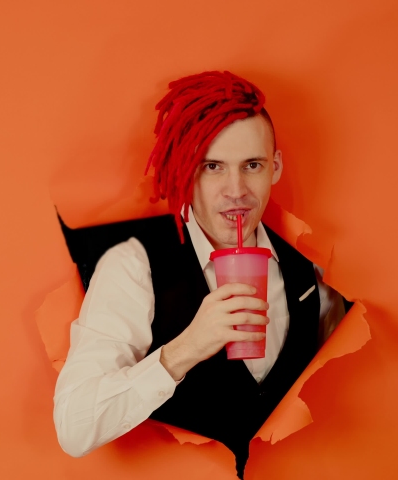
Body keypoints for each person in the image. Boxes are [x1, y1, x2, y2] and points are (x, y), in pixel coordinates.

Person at [53, 71, 346, 479]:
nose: (236, 189)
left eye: (252, 165)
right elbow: (74, 427)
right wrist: (187, 348)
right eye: (212, 166)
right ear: (185, 171)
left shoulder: (309, 276)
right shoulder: (135, 265)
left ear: (274, 167)